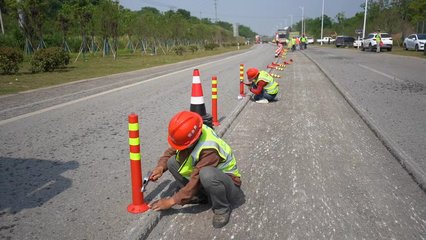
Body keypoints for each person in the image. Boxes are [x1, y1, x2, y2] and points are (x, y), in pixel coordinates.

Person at [148, 111, 243, 228]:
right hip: (209, 181)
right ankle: (198, 196)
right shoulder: (195, 130)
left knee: (207, 174)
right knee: (171, 162)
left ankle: (222, 208)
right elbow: (172, 150)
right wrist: (160, 167)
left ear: (192, 141)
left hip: (228, 185)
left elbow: (196, 178)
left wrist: (171, 201)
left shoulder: (209, 149)